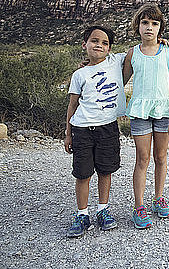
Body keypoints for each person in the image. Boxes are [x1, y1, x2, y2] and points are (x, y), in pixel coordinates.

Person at [65, 25, 126, 237]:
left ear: (110, 49)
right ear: (84, 44)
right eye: (94, 41)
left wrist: (162, 42)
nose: (99, 45)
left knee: (105, 170)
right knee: (82, 173)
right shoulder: (79, 74)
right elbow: (72, 106)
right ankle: (82, 214)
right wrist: (68, 133)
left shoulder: (115, 62)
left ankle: (103, 209)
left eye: (104, 43)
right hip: (82, 129)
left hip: (107, 127)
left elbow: (141, 49)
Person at [123, 3, 169, 229]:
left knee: (161, 156)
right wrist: (90, 65)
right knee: (142, 159)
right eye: (144, 23)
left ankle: (158, 198)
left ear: (160, 28)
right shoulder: (132, 54)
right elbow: (119, 79)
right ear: (137, 26)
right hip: (140, 112)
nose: (149, 27)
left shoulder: (168, 52)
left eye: (154, 23)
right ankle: (139, 206)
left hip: (164, 112)